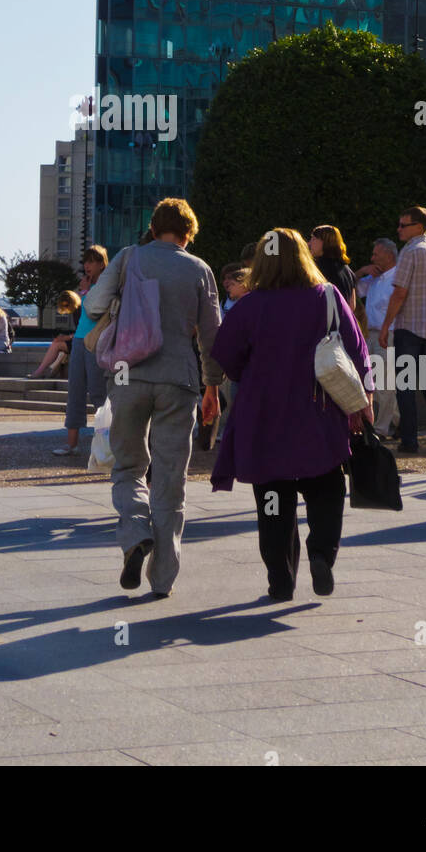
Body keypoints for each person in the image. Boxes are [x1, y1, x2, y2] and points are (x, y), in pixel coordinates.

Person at [208, 228, 372, 602]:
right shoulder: (328, 297)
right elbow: (358, 351)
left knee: (273, 502)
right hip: (320, 411)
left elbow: (227, 357)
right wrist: (364, 400)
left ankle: (281, 579)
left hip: (264, 417)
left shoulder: (249, 306)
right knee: (326, 488)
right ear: (304, 257)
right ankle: (321, 553)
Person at [84, 198, 223, 599]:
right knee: (170, 477)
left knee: (128, 467)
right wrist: (212, 385)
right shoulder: (199, 270)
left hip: (129, 374)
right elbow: (212, 334)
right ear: (188, 231)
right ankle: (162, 579)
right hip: (179, 378)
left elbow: (93, 305)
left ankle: (134, 535)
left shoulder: (129, 258)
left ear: (154, 225)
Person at [378, 205, 426, 455]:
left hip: (409, 326)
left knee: (405, 385)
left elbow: (400, 292)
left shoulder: (409, 252)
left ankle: (409, 440)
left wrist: (386, 324)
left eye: (404, 225)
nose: (399, 229)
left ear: (419, 227)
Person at [53, 245, 109, 456]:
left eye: (92, 261)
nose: (87, 266)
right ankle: (71, 443)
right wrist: (82, 293)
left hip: (96, 342)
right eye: (86, 261)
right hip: (78, 340)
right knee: (75, 390)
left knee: (98, 391)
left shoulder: (106, 285)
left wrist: (85, 293)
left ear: (102, 263)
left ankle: (106, 443)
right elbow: (79, 318)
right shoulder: (86, 285)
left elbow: (96, 313)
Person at [354, 238, 400, 438]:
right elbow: (350, 287)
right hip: (371, 334)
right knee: (376, 381)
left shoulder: (398, 278)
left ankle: (381, 428)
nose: (372, 258)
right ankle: (401, 421)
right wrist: (363, 271)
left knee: (383, 384)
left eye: (376, 254)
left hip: (387, 333)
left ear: (389, 256)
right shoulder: (373, 277)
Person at [216, 264, 248, 441]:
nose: (228, 285)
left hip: (242, 366)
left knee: (237, 401)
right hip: (234, 365)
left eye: (233, 282)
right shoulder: (226, 302)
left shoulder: (247, 306)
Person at [29, 291, 81, 378]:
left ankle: (40, 371)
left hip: (83, 341)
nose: (65, 309)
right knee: (56, 343)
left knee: (57, 345)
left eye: (66, 306)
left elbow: (82, 331)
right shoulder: (77, 310)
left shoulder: (79, 311)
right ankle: (42, 371)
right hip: (79, 339)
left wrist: (66, 337)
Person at [308, 225, 357, 310]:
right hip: (342, 320)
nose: (309, 243)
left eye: (313, 239)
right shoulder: (347, 269)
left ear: (325, 242)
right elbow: (352, 306)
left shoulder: (317, 268)